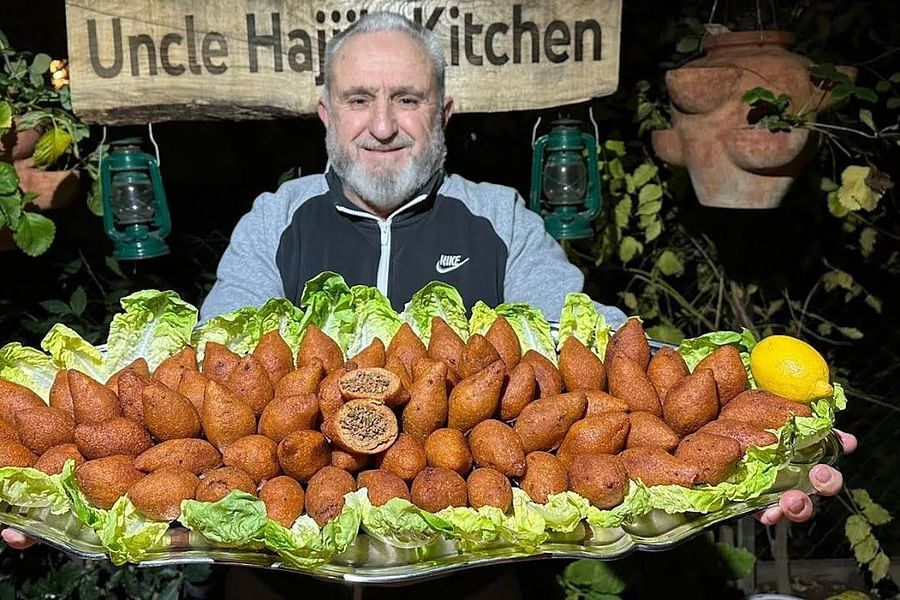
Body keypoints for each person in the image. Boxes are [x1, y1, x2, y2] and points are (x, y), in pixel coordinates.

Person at [2, 7, 855, 580]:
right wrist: (48, 497)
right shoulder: (276, 219)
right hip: (282, 578)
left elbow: (590, 342)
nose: (382, 125)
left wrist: (750, 414)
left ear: (442, 113)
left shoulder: (498, 218)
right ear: (325, 115)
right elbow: (214, 378)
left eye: (406, 99)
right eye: (360, 100)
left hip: (478, 582)